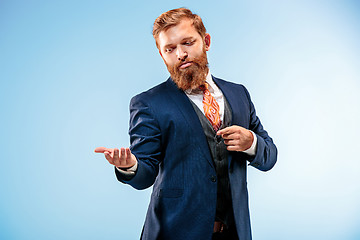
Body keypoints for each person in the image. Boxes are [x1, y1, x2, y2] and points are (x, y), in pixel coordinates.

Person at [95, 8, 277, 240]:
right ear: (162, 55)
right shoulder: (148, 103)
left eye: (187, 43)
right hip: (175, 233)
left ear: (206, 41)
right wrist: (130, 165)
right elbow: (145, 173)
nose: (180, 54)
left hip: (235, 233)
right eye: (170, 49)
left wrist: (251, 142)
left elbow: (269, 157)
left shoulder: (239, 93)